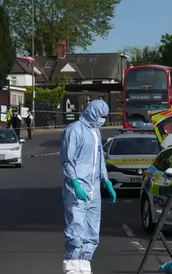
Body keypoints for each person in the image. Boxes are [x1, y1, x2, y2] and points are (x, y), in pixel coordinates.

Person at [61, 100, 117, 274]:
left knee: (92, 231)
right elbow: (67, 161)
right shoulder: (74, 130)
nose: (102, 120)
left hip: (94, 189)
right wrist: (75, 183)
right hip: (76, 188)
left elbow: (99, 159)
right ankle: (71, 266)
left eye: (104, 117)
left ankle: (84, 265)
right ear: (93, 112)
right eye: (101, 116)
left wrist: (106, 181)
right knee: (76, 229)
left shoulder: (95, 132)